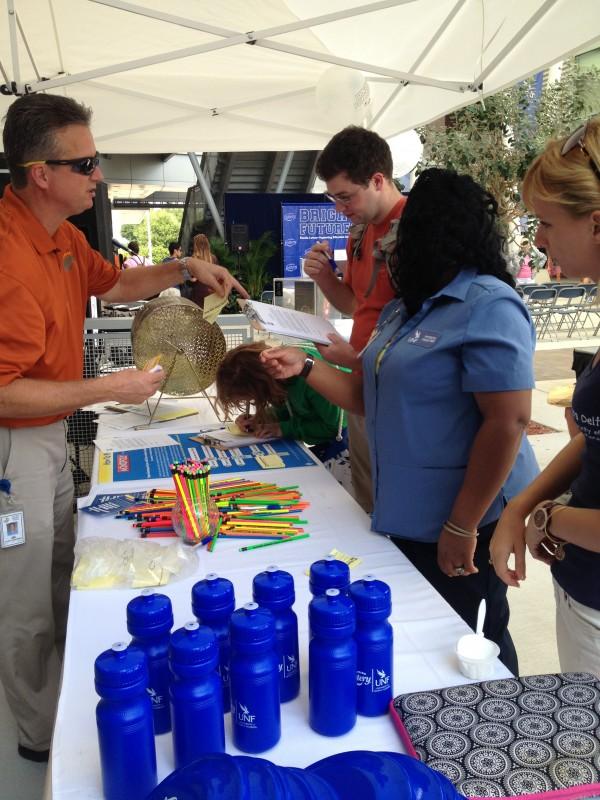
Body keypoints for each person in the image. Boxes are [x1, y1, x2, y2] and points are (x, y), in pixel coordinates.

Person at [0, 92, 246, 762]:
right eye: (84, 163)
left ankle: (67, 694)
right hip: (13, 445)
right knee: (23, 596)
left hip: (49, 434)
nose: (98, 174)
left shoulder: (61, 236)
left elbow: (112, 285)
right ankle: (37, 735)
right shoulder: (8, 253)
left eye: (97, 159)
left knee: (58, 571)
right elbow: (4, 392)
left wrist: (183, 270)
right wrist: (107, 388)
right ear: (39, 172)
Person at [261, 168, 539, 674]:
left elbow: (508, 422)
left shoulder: (489, 305)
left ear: (439, 233)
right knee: (429, 642)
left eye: (402, 234)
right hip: (408, 515)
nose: (390, 243)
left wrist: (462, 523)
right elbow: (370, 398)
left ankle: (500, 729)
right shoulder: (405, 309)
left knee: (475, 638)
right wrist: (304, 367)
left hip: (465, 518)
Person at [490, 117, 600, 674]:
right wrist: (521, 503)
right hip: (582, 588)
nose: (539, 240)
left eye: (547, 222)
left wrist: (548, 517)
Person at [302, 126, 406, 514]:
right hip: (361, 380)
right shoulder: (359, 233)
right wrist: (324, 276)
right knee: (367, 497)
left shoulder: (419, 228)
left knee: (397, 498)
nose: (339, 207)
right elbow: (357, 304)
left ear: (378, 180)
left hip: (398, 386)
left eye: (346, 196)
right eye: (333, 197)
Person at [216, 341, 345, 451]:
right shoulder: (280, 375)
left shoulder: (311, 379)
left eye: (252, 398)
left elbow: (332, 428)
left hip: (351, 442)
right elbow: (289, 408)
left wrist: (282, 429)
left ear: (262, 385)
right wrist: (262, 418)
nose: (253, 402)